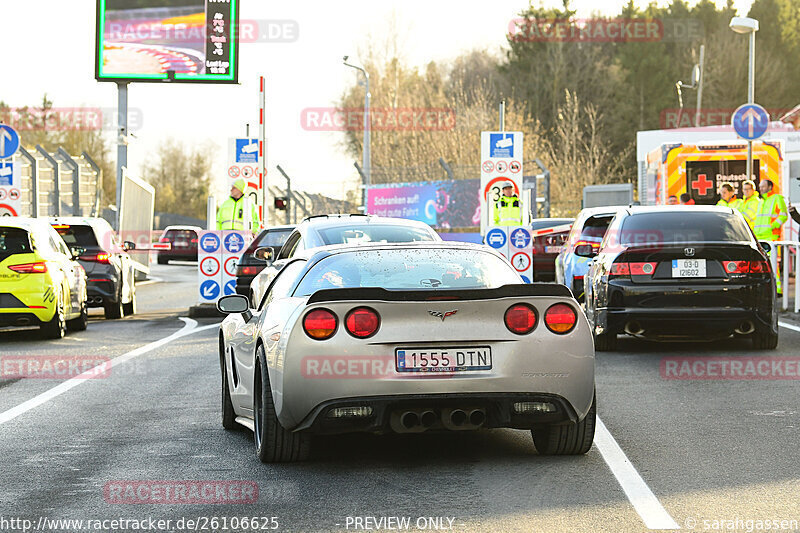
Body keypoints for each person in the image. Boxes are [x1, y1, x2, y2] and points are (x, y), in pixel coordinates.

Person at [754, 179, 788, 293]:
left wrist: (772, 226)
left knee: (773, 263)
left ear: (770, 187)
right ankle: (766, 289)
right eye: (760, 186)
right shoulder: (761, 201)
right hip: (759, 236)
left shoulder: (777, 198)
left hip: (771, 237)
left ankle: (777, 289)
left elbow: (783, 215)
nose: (761, 188)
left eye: (763, 186)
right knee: (762, 264)